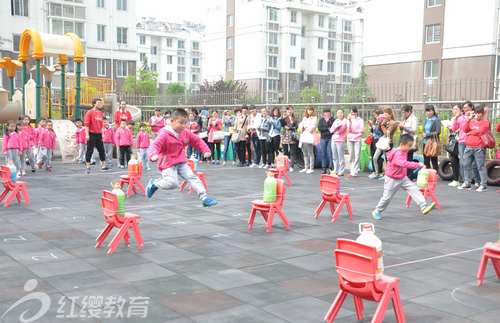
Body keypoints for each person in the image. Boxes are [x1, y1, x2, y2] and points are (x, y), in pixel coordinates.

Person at [146, 108, 217, 207]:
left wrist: (206, 150)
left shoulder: (185, 132)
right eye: (181, 123)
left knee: (193, 177)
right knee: (172, 183)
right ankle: (155, 183)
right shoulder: (164, 134)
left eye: (185, 123)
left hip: (181, 161)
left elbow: (197, 140)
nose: (183, 126)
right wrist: (153, 154)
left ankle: (204, 198)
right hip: (167, 162)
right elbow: (155, 145)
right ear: (172, 121)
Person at [372, 134, 436, 220]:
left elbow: (403, 165)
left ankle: (423, 206)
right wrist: (417, 164)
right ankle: (377, 211)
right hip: (392, 178)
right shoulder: (397, 153)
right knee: (387, 197)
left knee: (414, 189)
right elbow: (403, 163)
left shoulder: (404, 151)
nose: (410, 148)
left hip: (402, 178)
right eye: (409, 146)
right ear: (401, 145)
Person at [458, 105, 490, 192]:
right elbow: (464, 130)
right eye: (476, 113)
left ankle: (483, 184)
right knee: (466, 165)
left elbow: (481, 131)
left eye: (479, 113)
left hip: (479, 147)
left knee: (480, 166)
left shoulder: (485, 122)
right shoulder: (471, 121)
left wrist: (470, 133)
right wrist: (468, 120)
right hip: (469, 146)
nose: (477, 115)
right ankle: (467, 183)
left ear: (483, 114)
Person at [84, 98, 110, 174]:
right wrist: (87, 134)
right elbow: (87, 125)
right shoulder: (90, 112)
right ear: (94, 104)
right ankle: (88, 167)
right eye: (98, 103)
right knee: (90, 150)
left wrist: (102, 134)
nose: (100, 104)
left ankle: (104, 166)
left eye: (100, 103)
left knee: (101, 150)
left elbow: (101, 125)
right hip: (92, 133)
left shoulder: (100, 113)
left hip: (99, 134)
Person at [372, 108, 398, 179]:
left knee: (387, 159)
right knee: (375, 157)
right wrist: (380, 123)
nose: (385, 116)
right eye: (384, 115)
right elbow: (378, 129)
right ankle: (376, 173)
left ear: (390, 114)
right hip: (382, 141)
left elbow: (387, 133)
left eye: (386, 115)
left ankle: (387, 174)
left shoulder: (392, 123)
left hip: (388, 142)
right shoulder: (385, 121)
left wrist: (383, 126)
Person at [460, 101, 481, 188]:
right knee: (464, 163)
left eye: (467, 108)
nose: (465, 109)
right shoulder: (461, 117)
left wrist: (472, 113)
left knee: (475, 164)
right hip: (462, 140)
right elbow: (459, 128)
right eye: (464, 108)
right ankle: (466, 181)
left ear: (472, 107)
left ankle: (477, 181)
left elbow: (485, 110)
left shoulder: (475, 116)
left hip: (473, 142)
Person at [399, 105, 419, 180]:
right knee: (403, 158)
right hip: (404, 138)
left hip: (409, 140)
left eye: (405, 113)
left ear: (409, 111)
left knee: (409, 158)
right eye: (403, 113)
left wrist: (404, 127)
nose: (404, 114)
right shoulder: (404, 118)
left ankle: (409, 177)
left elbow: (413, 130)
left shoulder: (414, 119)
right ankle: (404, 175)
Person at [448, 104, 465, 187]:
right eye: (453, 109)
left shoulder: (463, 118)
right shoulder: (453, 118)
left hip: (462, 140)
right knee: (454, 160)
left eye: (457, 109)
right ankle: (456, 179)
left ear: (461, 110)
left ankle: (466, 180)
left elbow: (462, 128)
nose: (455, 111)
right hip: (454, 141)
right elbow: (453, 129)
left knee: (464, 161)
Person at [299, 105, 318, 174]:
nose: (309, 111)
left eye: (311, 110)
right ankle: (306, 167)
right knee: (305, 152)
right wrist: (303, 127)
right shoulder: (305, 118)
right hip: (304, 136)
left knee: (310, 152)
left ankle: (311, 167)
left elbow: (312, 127)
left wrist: (306, 127)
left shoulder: (314, 118)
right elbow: (301, 125)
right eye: (308, 110)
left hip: (310, 136)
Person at [346, 107, 364, 178]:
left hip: (357, 139)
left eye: (354, 112)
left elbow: (361, 130)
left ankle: (355, 172)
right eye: (351, 112)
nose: (352, 114)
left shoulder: (360, 120)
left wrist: (354, 131)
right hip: (350, 138)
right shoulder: (349, 120)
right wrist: (350, 121)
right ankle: (352, 171)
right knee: (351, 155)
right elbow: (349, 129)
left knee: (357, 155)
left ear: (356, 113)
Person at [422, 105, 441, 170]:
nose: (428, 113)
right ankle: (428, 174)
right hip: (425, 142)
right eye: (427, 111)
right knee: (426, 160)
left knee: (434, 160)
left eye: (430, 111)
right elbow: (424, 129)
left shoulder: (436, 120)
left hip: (432, 142)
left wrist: (427, 134)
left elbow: (438, 132)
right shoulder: (426, 119)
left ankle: (435, 175)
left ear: (433, 111)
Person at [330, 109, 348, 176]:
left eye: (341, 113)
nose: (339, 114)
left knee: (340, 156)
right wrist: (335, 129)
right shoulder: (336, 121)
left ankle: (341, 170)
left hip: (340, 140)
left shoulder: (345, 121)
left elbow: (341, 130)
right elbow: (331, 130)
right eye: (338, 113)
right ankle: (335, 169)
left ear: (343, 113)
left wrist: (336, 130)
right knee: (334, 156)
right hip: (334, 139)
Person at [280, 105, 298, 172]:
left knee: (292, 152)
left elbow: (296, 127)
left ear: (292, 110)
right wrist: (283, 118)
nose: (289, 111)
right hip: (285, 135)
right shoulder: (285, 118)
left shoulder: (295, 118)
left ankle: (291, 166)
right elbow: (281, 125)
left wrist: (289, 128)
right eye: (288, 110)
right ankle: (286, 166)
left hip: (292, 136)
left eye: (290, 109)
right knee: (285, 151)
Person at [367, 109, 383, 179]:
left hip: (378, 139)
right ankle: (374, 171)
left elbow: (378, 131)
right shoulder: (375, 122)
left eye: (376, 115)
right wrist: (371, 126)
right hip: (373, 138)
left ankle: (379, 171)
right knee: (373, 154)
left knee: (378, 156)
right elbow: (373, 131)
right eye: (375, 115)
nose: (375, 116)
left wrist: (374, 126)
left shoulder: (380, 122)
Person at [318, 108, 334, 174]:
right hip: (323, 138)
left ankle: (331, 167)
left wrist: (328, 122)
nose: (326, 114)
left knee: (330, 153)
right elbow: (320, 128)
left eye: (328, 112)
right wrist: (327, 128)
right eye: (325, 112)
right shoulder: (321, 120)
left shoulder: (332, 119)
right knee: (323, 153)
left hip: (330, 138)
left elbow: (333, 128)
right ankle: (324, 167)